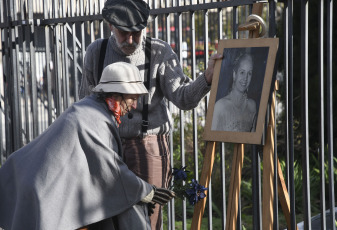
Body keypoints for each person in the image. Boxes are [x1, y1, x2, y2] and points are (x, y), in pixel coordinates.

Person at [78, 1, 222, 229]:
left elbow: (184, 98)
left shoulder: (159, 51)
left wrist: (207, 78)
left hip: (148, 147)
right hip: (106, 147)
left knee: (147, 219)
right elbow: (86, 104)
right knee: (106, 218)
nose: (131, 40)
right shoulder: (97, 51)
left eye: (137, 32)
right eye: (125, 33)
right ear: (110, 26)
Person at [0, 62, 175, 230]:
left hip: (35, 184)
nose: (135, 105)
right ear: (116, 94)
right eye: (132, 98)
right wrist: (144, 192)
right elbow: (112, 173)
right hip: (42, 192)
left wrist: (137, 196)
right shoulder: (95, 117)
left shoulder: (91, 107)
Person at [211, 53, 257, 132]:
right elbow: (212, 140)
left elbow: (252, 141)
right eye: (242, 72)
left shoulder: (252, 106)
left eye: (249, 73)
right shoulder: (220, 106)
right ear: (234, 74)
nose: (245, 78)